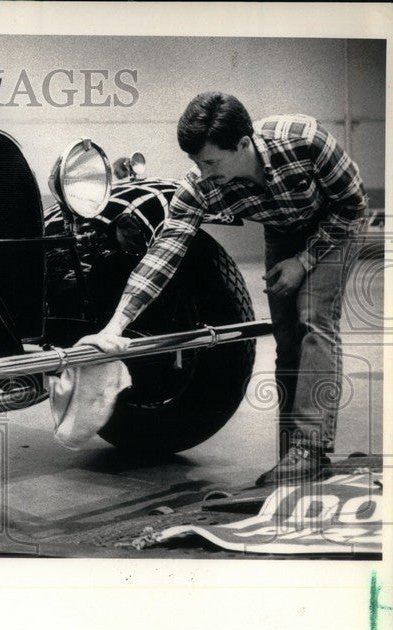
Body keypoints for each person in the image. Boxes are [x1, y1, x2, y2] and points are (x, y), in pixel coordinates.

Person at [80, 92, 367, 484]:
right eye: (196, 162)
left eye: (211, 161)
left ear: (244, 144)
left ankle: (310, 449)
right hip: (283, 231)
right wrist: (115, 326)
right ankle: (294, 453)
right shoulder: (200, 188)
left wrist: (304, 262)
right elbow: (163, 255)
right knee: (285, 336)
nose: (203, 171)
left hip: (335, 226)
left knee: (313, 317)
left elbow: (353, 204)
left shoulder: (304, 138)